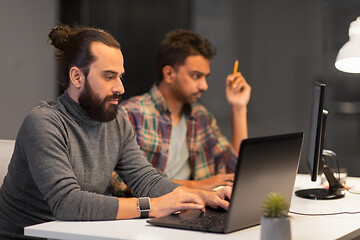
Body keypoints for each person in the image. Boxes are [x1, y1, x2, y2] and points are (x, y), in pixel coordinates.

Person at [0, 25, 231, 239]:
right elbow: (67, 202)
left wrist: (203, 195)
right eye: (109, 76)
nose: (120, 88)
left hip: (78, 232)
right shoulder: (43, 123)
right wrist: (153, 205)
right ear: (77, 77)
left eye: (120, 76)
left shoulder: (116, 121)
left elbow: (145, 179)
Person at [109, 29, 251, 196]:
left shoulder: (201, 117)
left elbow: (235, 169)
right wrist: (197, 186)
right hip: (150, 213)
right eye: (196, 76)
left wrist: (239, 107)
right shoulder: (130, 114)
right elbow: (118, 182)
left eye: (206, 77)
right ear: (169, 74)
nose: (204, 86)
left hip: (197, 209)